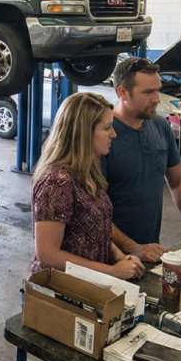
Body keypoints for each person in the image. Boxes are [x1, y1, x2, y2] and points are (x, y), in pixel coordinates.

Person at [102, 57, 181, 262]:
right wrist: (132, 247)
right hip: (109, 257)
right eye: (148, 92)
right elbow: (91, 207)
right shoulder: (103, 135)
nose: (157, 99)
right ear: (122, 92)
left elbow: (178, 180)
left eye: (158, 89)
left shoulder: (160, 126)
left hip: (149, 251)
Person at [31, 93, 145, 278]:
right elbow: (48, 254)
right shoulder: (56, 182)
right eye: (107, 128)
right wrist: (111, 271)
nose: (113, 134)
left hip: (90, 284)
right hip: (61, 293)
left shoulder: (87, 171)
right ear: (83, 133)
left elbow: (94, 231)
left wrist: (120, 256)